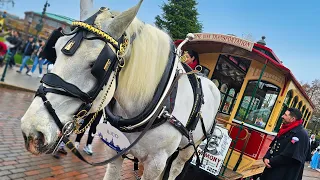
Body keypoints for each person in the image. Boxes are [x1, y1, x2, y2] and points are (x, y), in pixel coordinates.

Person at [260, 108, 311, 180]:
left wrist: (271, 161)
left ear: (293, 119)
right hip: (273, 169)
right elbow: (274, 146)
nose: (282, 116)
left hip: (283, 174)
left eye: (285, 115)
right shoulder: (286, 129)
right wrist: (266, 157)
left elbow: (289, 156)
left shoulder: (300, 134)